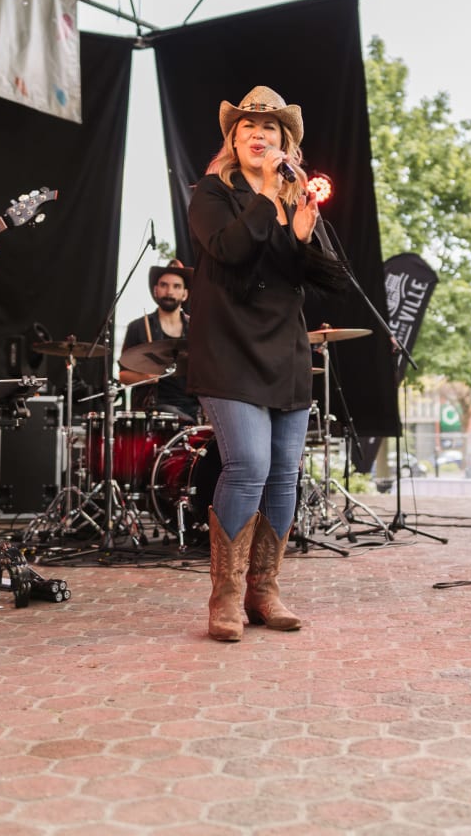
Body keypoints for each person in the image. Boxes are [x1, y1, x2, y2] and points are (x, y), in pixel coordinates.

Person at [186, 85, 342, 641]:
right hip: (229, 347)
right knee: (249, 464)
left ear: (285, 142)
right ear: (233, 141)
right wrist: (269, 193)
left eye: (269, 128)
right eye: (248, 127)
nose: (258, 134)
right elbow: (230, 249)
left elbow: (328, 279)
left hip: (285, 349)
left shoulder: (296, 200)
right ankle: (225, 597)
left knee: (283, 473)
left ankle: (264, 590)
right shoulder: (212, 193)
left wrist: (302, 235)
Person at [117, 259, 199, 421]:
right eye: (164, 285)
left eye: (176, 286)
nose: (169, 291)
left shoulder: (196, 329)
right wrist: (145, 378)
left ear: (185, 294)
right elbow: (123, 376)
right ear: (155, 290)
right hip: (151, 410)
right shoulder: (138, 327)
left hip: (193, 409)